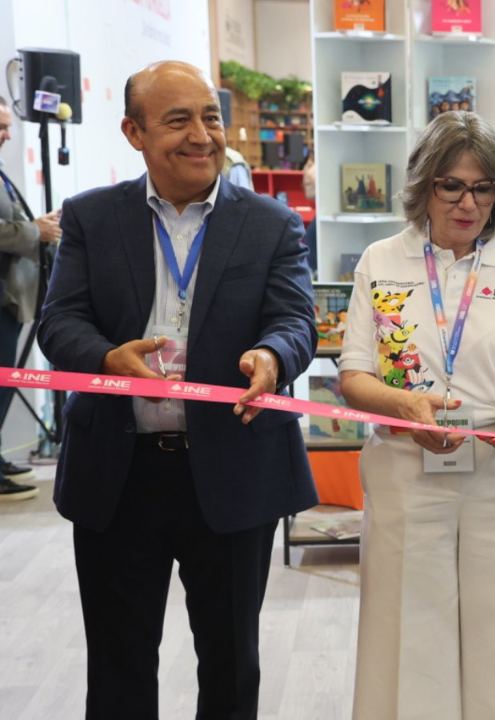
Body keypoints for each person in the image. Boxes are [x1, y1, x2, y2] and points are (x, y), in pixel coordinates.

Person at [37, 61, 317, 718]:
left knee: (230, 662)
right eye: (178, 120)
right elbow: (60, 320)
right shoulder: (91, 218)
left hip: (232, 469)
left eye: (210, 117)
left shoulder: (271, 224)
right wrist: (108, 355)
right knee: (119, 664)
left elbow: (294, 319)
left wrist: (273, 359)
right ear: (133, 132)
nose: (202, 135)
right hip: (119, 472)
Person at [339, 110, 495, 720]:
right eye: (452, 185)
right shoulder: (380, 261)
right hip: (406, 474)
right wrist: (406, 408)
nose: (469, 203)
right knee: (407, 638)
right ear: (425, 186)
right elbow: (354, 375)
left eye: (484, 187)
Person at [0, 95, 61, 500]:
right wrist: (33, 232)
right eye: (0, 127)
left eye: (7, 127)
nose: (6, 135)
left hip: (10, 299)